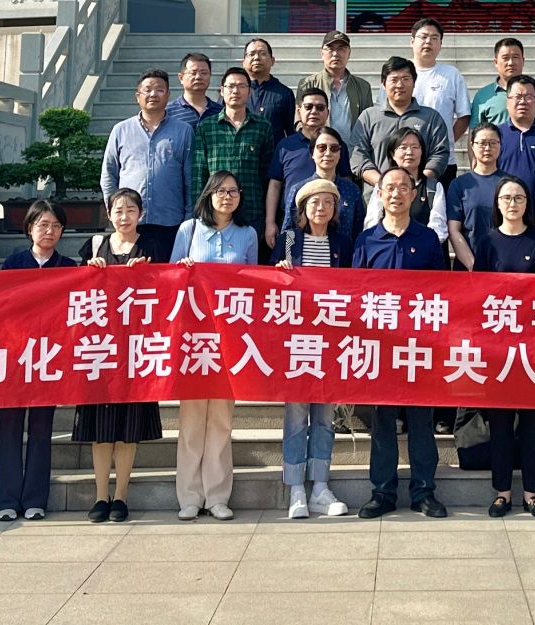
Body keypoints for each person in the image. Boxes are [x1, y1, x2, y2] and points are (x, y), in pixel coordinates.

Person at [352, 167, 452, 519]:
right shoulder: (366, 241)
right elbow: (355, 295)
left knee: (421, 420)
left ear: (413, 194)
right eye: (389, 188)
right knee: (383, 421)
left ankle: (424, 491)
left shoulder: (428, 239)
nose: (396, 193)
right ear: (379, 194)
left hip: (418, 345)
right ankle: (382, 492)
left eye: (403, 188)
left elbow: (441, 293)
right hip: (380, 347)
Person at [168, 171, 259, 520]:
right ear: (208, 194)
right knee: (191, 419)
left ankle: (218, 495)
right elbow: (170, 279)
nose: (227, 196)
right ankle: (189, 496)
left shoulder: (248, 234)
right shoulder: (189, 230)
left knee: (221, 419)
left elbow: (253, 285)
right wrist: (183, 269)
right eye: (220, 190)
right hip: (194, 337)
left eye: (233, 191)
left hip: (230, 339)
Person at [74, 189, 165, 523]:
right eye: (118, 210)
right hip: (99, 349)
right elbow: (74, 293)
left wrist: (148, 273)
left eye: (130, 210)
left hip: (136, 349)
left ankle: (121, 496)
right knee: (100, 428)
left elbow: (164, 291)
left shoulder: (151, 247)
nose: (124, 216)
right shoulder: (94, 245)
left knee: (128, 428)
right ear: (108, 213)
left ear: (140, 213)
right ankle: (101, 496)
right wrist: (88, 270)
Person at [272, 179, 357, 519]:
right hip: (297, 340)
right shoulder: (288, 241)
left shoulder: (342, 243)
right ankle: (295, 487)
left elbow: (353, 287)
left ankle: (320, 485)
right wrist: (280, 273)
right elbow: (269, 289)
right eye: (314, 202)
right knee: (296, 415)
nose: (321, 208)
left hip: (332, 340)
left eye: (328, 203)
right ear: (302, 208)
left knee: (324, 415)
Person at [471, 175, 535, 518]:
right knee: (501, 423)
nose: (513, 203)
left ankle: (531, 493)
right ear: (497, 203)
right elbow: (476, 293)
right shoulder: (487, 242)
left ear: (527, 203)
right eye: (506, 198)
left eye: (519, 197)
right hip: (499, 347)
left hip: (533, 346)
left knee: (533, 424)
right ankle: (502, 492)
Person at [0, 200, 78, 522]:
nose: (49, 231)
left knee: (42, 429)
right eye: (43, 225)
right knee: (9, 427)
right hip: (14, 357)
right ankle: (6, 500)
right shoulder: (13, 263)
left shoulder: (68, 267)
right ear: (29, 228)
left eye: (56, 226)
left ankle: (35, 500)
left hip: (49, 359)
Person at [99, 69, 195, 262]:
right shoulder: (121, 130)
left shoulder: (184, 131)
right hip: (131, 225)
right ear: (138, 96)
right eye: (148, 89)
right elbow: (109, 175)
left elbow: (190, 180)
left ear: (168, 95)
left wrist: (188, 219)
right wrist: (116, 211)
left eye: (159, 89)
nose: (153, 94)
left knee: (167, 275)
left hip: (170, 223)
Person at [189, 67, 277, 261]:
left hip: (252, 211)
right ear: (222, 91)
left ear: (249, 91)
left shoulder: (263, 127)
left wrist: (267, 217)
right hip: (214, 213)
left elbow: (267, 175)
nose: (236, 91)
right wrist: (198, 212)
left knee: (248, 267)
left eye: (241, 86)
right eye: (231, 86)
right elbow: (199, 173)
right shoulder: (207, 127)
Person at [353, 56, 452, 188]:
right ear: (383, 84)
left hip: (419, 193)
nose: (400, 85)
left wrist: (415, 185)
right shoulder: (369, 117)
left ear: (414, 82)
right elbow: (357, 155)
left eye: (405, 79)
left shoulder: (431, 118)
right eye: (394, 80)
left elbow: (440, 153)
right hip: (377, 193)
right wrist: (383, 184)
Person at [266, 84, 346, 241]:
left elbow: (345, 181)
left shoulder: (336, 145)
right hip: (292, 220)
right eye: (308, 107)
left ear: (327, 113)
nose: (314, 112)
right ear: (298, 111)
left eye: (320, 108)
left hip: (329, 222)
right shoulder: (286, 145)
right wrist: (270, 222)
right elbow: (275, 185)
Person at [364, 128, 449, 242]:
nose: (409, 152)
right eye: (403, 147)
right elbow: (372, 224)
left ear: (422, 152)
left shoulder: (433, 187)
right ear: (392, 154)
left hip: (424, 248)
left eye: (415, 147)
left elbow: (439, 229)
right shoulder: (382, 186)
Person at [447, 122, 508, 269]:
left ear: (500, 145)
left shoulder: (510, 184)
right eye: (482, 143)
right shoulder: (460, 184)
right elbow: (454, 230)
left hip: (504, 264)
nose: (487, 148)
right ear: (472, 146)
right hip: (468, 264)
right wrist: (474, 266)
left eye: (493, 143)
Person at [287, 126, 363, 237]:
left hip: (345, 248)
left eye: (334, 148)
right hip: (305, 247)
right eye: (322, 147)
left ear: (340, 154)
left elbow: (359, 231)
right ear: (312, 153)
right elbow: (288, 231)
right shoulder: (298, 189)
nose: (328, 153)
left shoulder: (352, 190)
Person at [298, 31, 372, 144]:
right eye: (330, 49)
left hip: (353, 151)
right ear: (322, 53)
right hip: (318, 150)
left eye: (341, 49)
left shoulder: (363, 87)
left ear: (349, 53)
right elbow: (299, 121)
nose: (335, 54)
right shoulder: (307, 84)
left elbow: (368, 123)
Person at [409, 17, 471, 143]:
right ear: (412, 41)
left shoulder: (451, 75)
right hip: (405, 152)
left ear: (440, 44)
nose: (428, 42)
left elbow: (464, 116)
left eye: (434, 38)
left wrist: (446, 143)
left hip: (441, 153)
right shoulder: (398, 72)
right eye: (423, 37)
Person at [471, 37, 535, 127]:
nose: (511, 63)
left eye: (515, 57)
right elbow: (475, 131)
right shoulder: (483, 95)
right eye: (505, 58)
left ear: (523, 61)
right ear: (496, 62)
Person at [243, 37, 295, 140]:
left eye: (262, 53)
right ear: (243, 62)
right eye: (251, 54)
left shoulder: (284, 93)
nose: (256, 58)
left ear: (272, 61)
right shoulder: (234, 91)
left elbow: (290, 131)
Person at [165, 51, 222, 126]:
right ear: (181, 78)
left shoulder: (220, 111)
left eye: (204, 73)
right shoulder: (167, 112)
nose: (198, 77)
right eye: (193, 73)